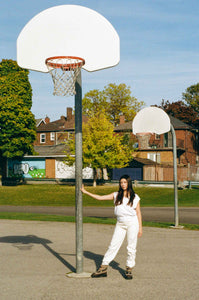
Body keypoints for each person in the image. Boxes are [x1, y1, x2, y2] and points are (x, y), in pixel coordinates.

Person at [80, 174, 142, 280]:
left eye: (125, 182)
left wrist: (140, 228)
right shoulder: (116, 195)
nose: (123, 184)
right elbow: (100, 198)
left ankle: (129, 269)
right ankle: (103, 268)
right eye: (121, 182)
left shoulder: (135, 197)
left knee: (131, 247)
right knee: (113, 245)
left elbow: (138, 212)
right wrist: (85, 192)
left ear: (129, 183)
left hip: (132, 223)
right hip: (120, 223)